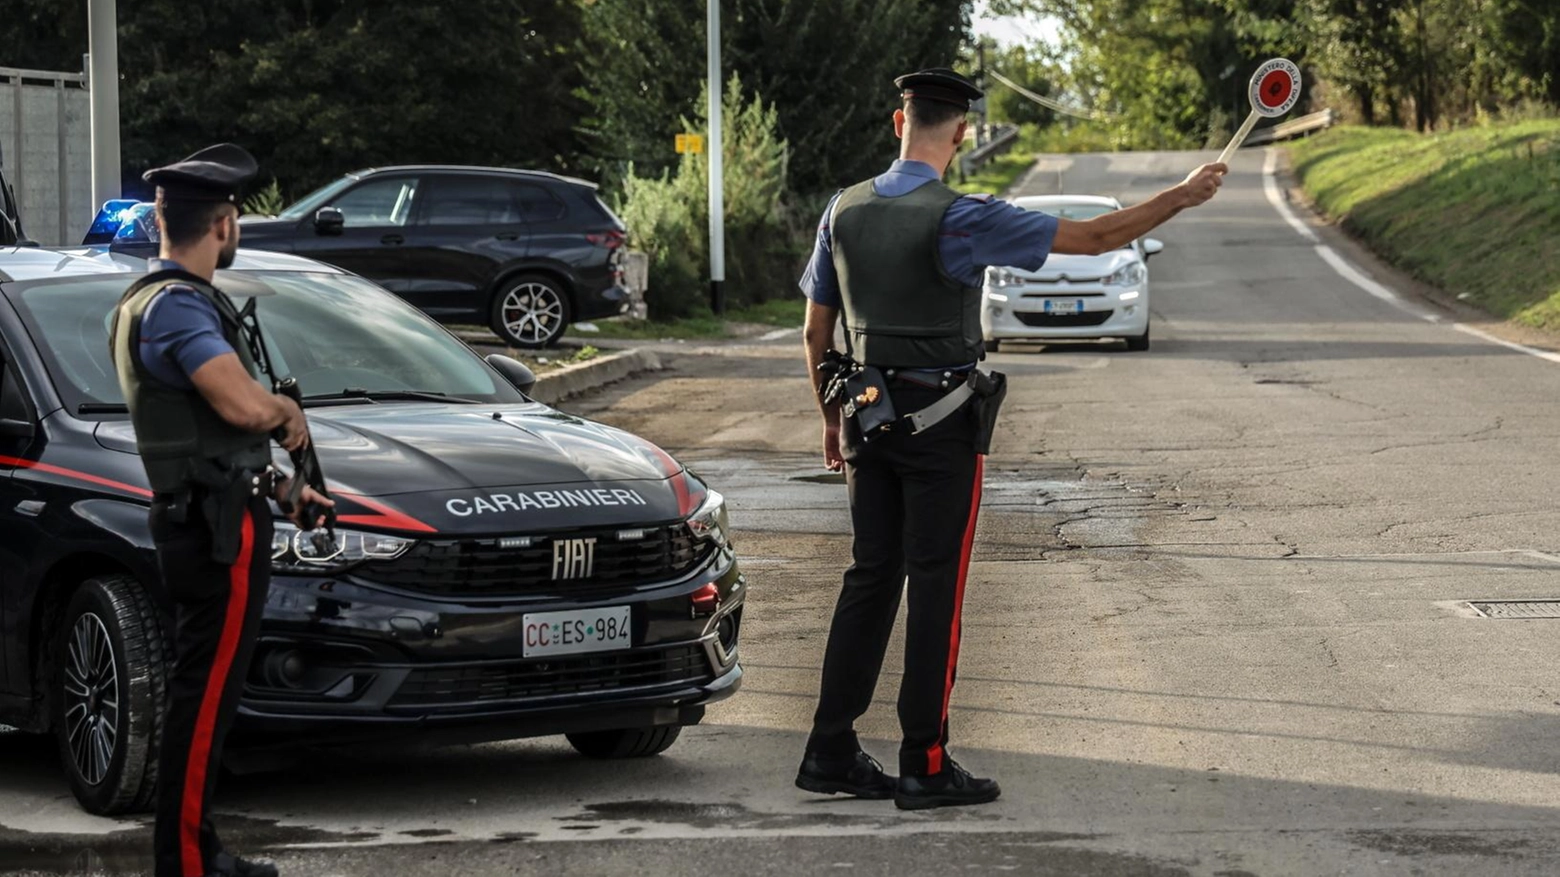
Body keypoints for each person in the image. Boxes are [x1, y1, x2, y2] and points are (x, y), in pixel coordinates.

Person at [795, 68, 1226, 810]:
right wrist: (1181, 195)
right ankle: (924, 762)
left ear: (897, 125)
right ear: (960, 134)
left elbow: (815, 329)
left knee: (870, 577)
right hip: (940, 433)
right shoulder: (962, 216)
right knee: (936, 587)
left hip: (865, 422)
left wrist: (830, 421)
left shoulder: (843, 210)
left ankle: (830, 748)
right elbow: (1094, 238)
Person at [109, 143, 333, 877]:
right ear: (226, 224)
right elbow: (238, 404)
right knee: (202, 703)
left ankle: (200, 849)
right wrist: (286, 415)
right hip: (212, 532)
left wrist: (286, 489)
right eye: (237, 219)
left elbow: (211, 443)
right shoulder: (176, 307)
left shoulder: (163, 299)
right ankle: (184, 864)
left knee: (212, 695)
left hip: (216, 510)